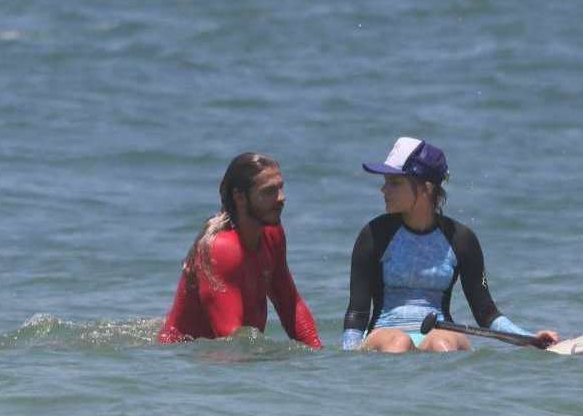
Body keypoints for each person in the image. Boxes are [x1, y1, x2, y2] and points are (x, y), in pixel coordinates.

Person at [342, 137, 558, 352]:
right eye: (385, 181)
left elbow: (486, 313)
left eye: (395, 183)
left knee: (442, 344)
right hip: (384, 333)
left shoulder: (462, 240)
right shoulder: (373, 235)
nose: (384, 190)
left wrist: (530, 338)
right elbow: (357, 313)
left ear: (427, 187)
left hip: (439, 332)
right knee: (399, 343)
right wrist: (347, 358)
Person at [159, 153, 321, 349]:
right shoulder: (221, 249)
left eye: (281, 188)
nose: (281, 198)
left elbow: (290, 305)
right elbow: (231, 343)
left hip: (226, 358)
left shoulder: (272, 234)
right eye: (269, 191)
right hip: (186, 360)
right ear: (240, 197)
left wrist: (318, 360)